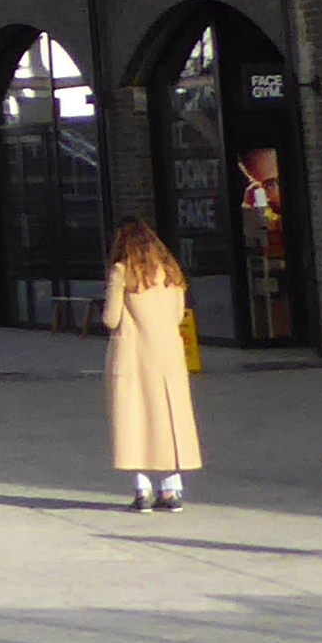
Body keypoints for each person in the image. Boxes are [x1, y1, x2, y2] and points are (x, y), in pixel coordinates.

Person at [98, 218, 198, 511]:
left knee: (134, 419)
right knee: (169, 418)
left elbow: (111, 318)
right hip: (168, 356)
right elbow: (179, 314)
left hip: (132, 354)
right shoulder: (171, 272)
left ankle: (142, 489)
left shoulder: (121, 271)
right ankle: (172, 487)